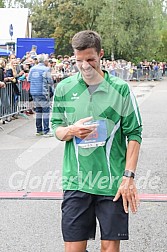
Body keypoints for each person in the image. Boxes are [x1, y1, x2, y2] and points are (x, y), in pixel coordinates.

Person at [51, 30, 142, 252]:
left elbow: (134, 133)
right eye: (79, 60)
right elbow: (56, 129)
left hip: (111, 183)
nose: (85, 66)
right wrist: (72, 130)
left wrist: (128, 177)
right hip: (76, 181)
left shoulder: (120, 89)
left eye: (90, 59)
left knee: (109, 248)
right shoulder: (64, 88)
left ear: (101, 54)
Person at [28, 54, 53, 137]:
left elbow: (29, 79)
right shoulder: (46, 69)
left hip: (34, 92)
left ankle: (39, 130)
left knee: (38, 111)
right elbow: (50, 81)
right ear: (45, 61)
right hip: (43, 92)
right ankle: (46, 130)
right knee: (46, 111)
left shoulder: (32, 69)